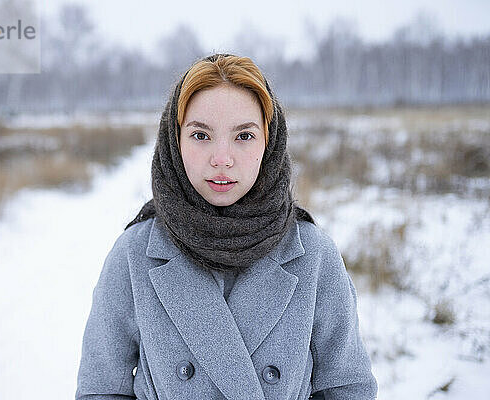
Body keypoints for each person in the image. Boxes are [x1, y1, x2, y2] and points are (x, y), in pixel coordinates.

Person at [75, 53, 377, 400]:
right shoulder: (134, 254)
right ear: (175, 142)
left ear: (269, 141)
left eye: (244, 136)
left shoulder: (314, 255)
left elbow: (347, 388)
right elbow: (101, 389)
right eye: (201, 135)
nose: (222, 158)